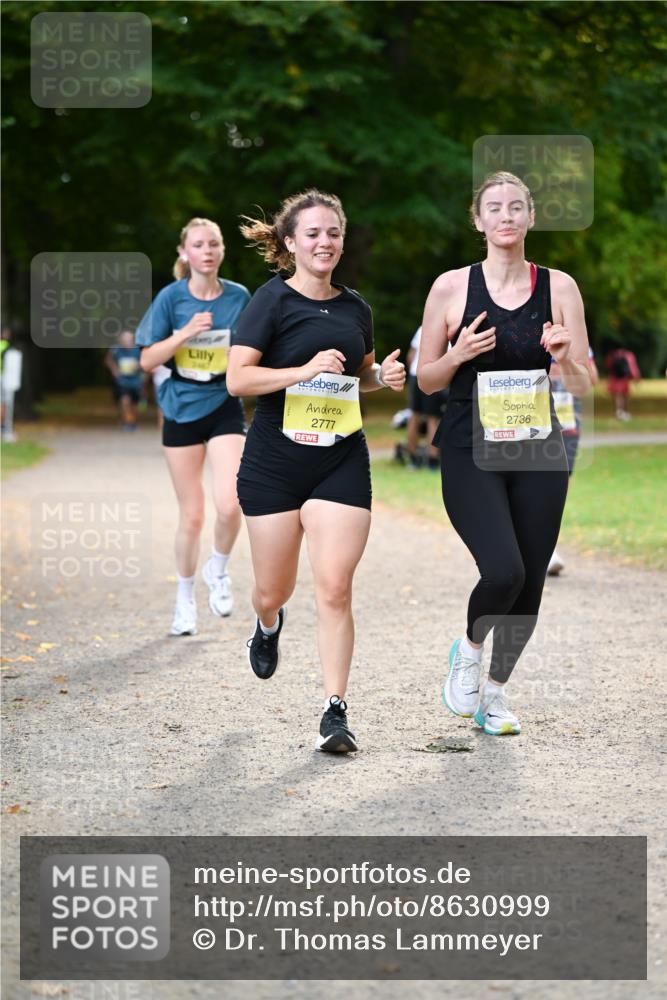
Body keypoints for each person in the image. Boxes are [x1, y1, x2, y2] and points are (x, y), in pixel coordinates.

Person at [226, 189, 405, 753]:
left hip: (340, 459)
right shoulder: (269, 302)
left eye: (333, 233)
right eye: (313, 234)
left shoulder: (356, 308)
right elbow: (238, 381)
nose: (324, 242)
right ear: (290, 243)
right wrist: (300, 370)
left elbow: (360, 375)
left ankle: (335, 710)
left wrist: (386, 379)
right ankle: (268, 623)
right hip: (274, 464)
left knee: (334, 587)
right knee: (271, 589)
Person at [418, 170, 592, 736]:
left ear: (531, 218)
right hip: (471, 445)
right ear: (479, 220)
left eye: (517, 206)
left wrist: (564, 357)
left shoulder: (560, 287)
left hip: (539, 449)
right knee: (503, 570)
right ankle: (467, 650)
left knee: (532, 581)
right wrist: (458, 352)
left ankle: (494, 695)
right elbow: (425, 381)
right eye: (495, 207)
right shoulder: (450, 288)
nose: (507, 215)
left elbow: (584, 383)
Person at [136, 218, 250, 636]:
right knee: (192, 515)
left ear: (222, 251)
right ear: (185, 252)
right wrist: (185, 333)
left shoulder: (239, 296)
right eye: (198, 244)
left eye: (214, 244)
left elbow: (251, 349)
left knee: (231, 503)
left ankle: (217, 569)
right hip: (181, 407)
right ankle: (184, 601)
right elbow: (147, 360)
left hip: (223, 403)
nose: (207, 250)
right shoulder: (171, 298)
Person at [547, 346, 598, 575]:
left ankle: (547, 548)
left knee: (558, 489)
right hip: (529, 420)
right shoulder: (527, 330)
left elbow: (592, 379)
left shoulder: (577, 340)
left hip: (567, 424)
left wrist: (567, 363)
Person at [405, 325, 448, 469]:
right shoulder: (448, 327)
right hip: (434, 374)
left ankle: (413, 459)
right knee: (433, 418)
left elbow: (411, 354)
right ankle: (433, 460)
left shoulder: (423, 327)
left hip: (415, 373)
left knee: (414, 416)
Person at [105, 330, 144, 431]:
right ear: (120, 340)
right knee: (125, 401)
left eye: (129, 339)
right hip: (122, 381)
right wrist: (114, 370)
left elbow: (146, 362)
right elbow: (108, 360)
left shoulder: (138, 350)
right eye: (124, 340)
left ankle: (133, 421)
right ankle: (127, 422)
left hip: (135, 381)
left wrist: (139, 366)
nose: (127, 342)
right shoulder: (115, 350)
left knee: (135, 404)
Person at [605, 347, 640, 421]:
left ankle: (618, 412)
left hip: (614, 378)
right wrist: (636, 377)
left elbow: (608, 365)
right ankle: (622, 412)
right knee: (624, 396)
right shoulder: (629, 355)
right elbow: (632, 367)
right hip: (624, 379)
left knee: (617, 396)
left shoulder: (613, 354)